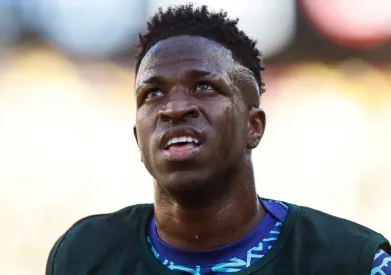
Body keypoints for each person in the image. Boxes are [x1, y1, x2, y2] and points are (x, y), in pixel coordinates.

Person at [46, 4, 391, 274]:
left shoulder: (353, 261)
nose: (175, 108)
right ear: (138, 137)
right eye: (153, 93)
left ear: (253, 126)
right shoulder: (82, 254)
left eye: (204, 86)